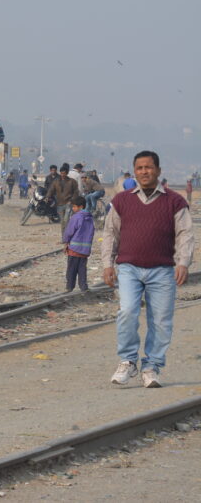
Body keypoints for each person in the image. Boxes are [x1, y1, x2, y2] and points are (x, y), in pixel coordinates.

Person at [102, 151, 194, 388]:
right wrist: (107, 264)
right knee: (128, 311)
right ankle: (128, 361)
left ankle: (152, 366)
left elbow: (185, 234)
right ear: (135, 172)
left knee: (161, 321)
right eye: (140, 168)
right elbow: (110, 232)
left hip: (162, 270)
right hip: (129, 267)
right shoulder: (122, 201)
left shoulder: (174, 201)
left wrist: (183, 262)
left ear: (158, 171)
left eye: (149, 167)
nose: (144, 171)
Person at [61, 196, 94, 293]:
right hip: (85, 250)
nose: (73, 208)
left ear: (81, 206)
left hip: (74, 249)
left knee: (71, 269)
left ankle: (69, 287)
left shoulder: (76, 217)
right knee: (82, 269)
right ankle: (83, 287)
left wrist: (66, 242)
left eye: (74, 206)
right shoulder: (90, 218)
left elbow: (69, 231)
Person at [46, 163, 79, 232]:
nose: (62, 175)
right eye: (61, 173)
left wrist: (72, 200)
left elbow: (76, 192)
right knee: (62, 222)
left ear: (66, 173)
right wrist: (48, 196)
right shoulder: (56, 182)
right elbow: (51, 189)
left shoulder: (72, 182)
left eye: (64, 173)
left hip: (68, 203)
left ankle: (67, 237)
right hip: (60, 204)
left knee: (66, 220)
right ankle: (64, 238)